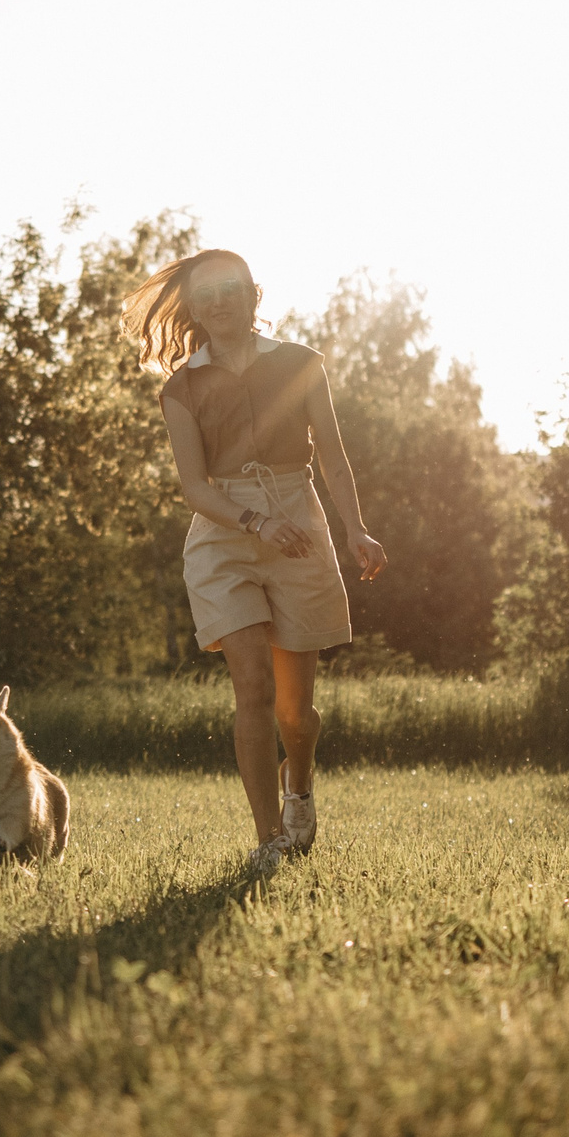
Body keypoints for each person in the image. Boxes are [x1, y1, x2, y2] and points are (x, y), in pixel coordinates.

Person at [121, 249, 387, 873]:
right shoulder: (181, 387)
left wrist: (355, 530)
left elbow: (333, 457)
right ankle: (269, 840)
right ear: (195, 307)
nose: (220, 301)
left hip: (299, 514)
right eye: (206, 293)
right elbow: (195, 486)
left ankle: (300, 789)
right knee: (253, 688)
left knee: (296, 712)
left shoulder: (300, 364)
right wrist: (255, 523)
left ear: (253, 294)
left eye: (230, 289)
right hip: (225, 531)